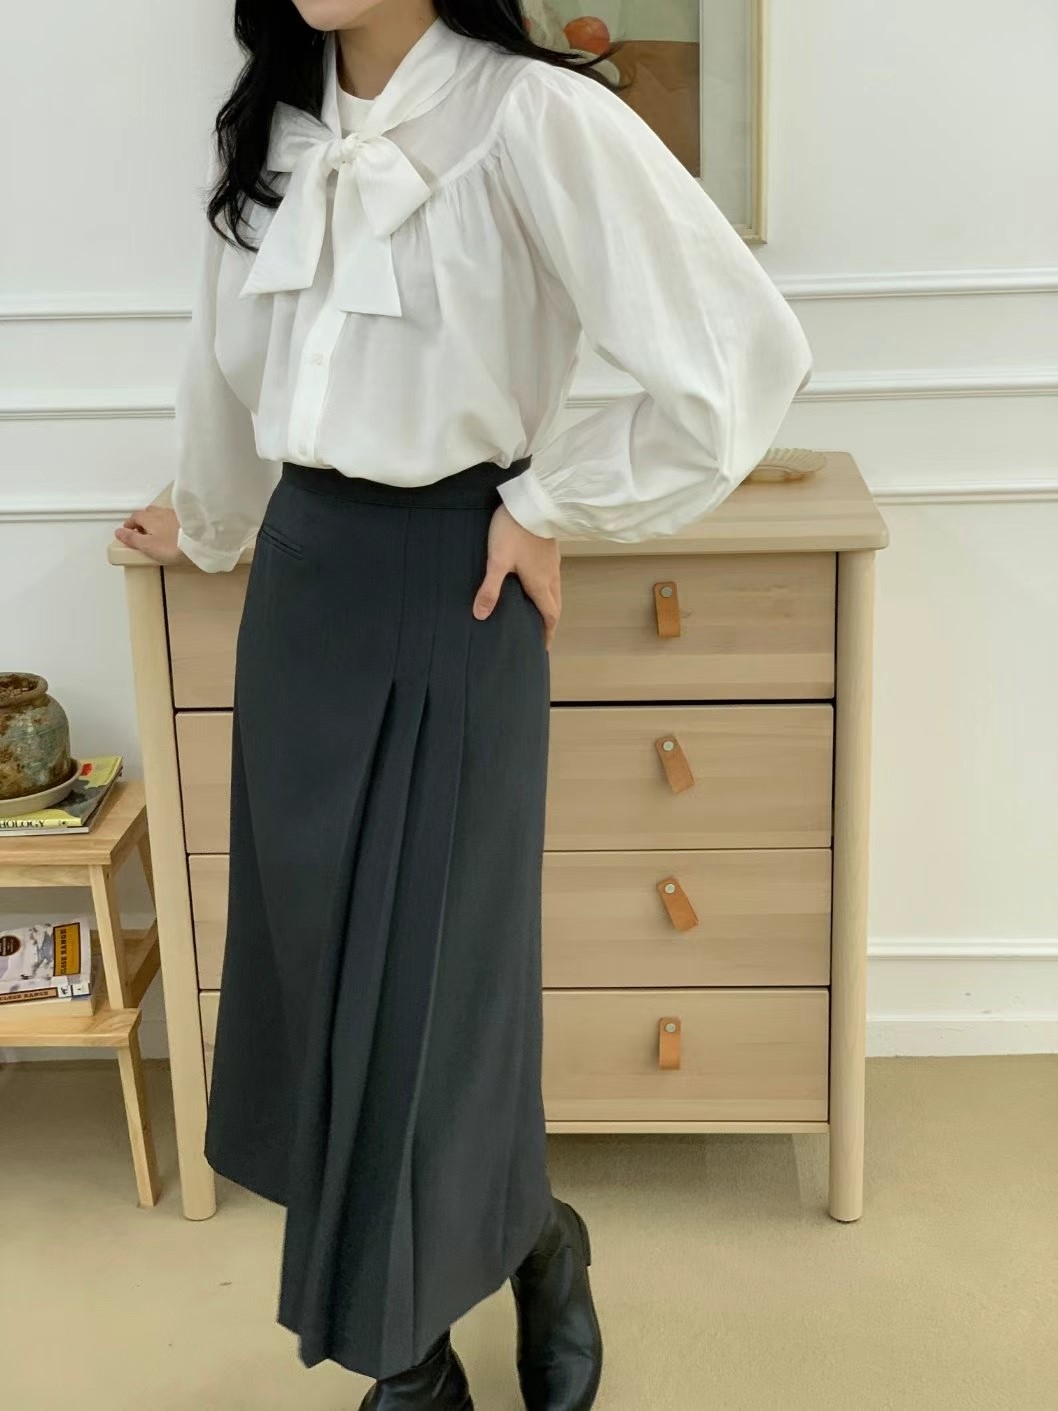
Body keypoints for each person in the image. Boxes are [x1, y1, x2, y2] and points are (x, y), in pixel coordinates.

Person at [114, 2, 813, 1406]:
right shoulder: (273, 126)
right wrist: (209, 516)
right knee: (322, 986)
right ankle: (494, 1271)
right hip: (303, 585)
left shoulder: (535, 117)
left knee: (433, 996)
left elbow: (740, 353)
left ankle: (434, 1335)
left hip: (456, 583)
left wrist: (551, 504)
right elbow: (226, 366)